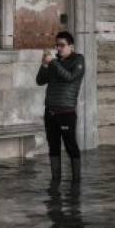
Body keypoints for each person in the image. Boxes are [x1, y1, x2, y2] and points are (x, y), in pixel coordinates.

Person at [36, 31, 85, 181]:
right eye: (57, 45)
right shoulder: (54, 62)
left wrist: (53, 62)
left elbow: (69, 77)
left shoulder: (78, 60)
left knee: (71, 147)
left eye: (62, 45)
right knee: (53, 147)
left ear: (71, 46)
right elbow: (39, 81)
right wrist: (44, 65)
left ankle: (76, 181)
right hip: (50, 112)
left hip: (66, 112)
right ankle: (55, 180)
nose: (58, 48)